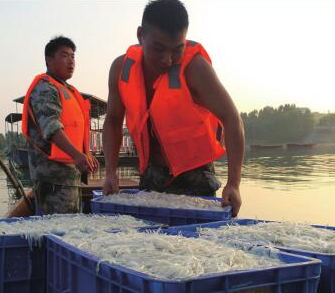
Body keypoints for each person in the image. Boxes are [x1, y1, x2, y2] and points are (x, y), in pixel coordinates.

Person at [102, 0, 244, 216]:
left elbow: (232, 118)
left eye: (177, 50)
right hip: (152, 175)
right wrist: (110, 172)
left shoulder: (195, 68)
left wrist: (234, 183)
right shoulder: (121, 68)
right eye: (158, 48)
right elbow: (112, 120)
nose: (167, 60)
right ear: (140, 35)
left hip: (196, 177)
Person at [22, 36, 99, 214]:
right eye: (65, 55)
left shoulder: (69, 91)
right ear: (49, 60)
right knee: (57, 231)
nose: (71, 61)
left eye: (73, 56)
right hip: (52, 180)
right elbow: (51, 127)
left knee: (72, 229)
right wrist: (78, 156)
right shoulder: (45, 88)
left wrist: (86, 154)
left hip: (70, 177)